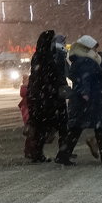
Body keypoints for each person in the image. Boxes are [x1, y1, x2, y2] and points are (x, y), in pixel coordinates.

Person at [55, 35, 102, 165]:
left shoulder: (78, 60)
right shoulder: (86, 61)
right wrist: (85, 93)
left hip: (83, 101)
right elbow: (85, 79)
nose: (96, 51)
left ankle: (63, 155)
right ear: (86, 48)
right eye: (94, 48)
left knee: (76, 129)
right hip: (91, 100)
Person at [24, 29, 68, 163]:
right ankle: (63, 153)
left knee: (40, 127)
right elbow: (54, 76)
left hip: (40, 97)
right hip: (48, 97)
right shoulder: (46, 57)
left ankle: (37, 153)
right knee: (62, 126)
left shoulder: (38, 55)